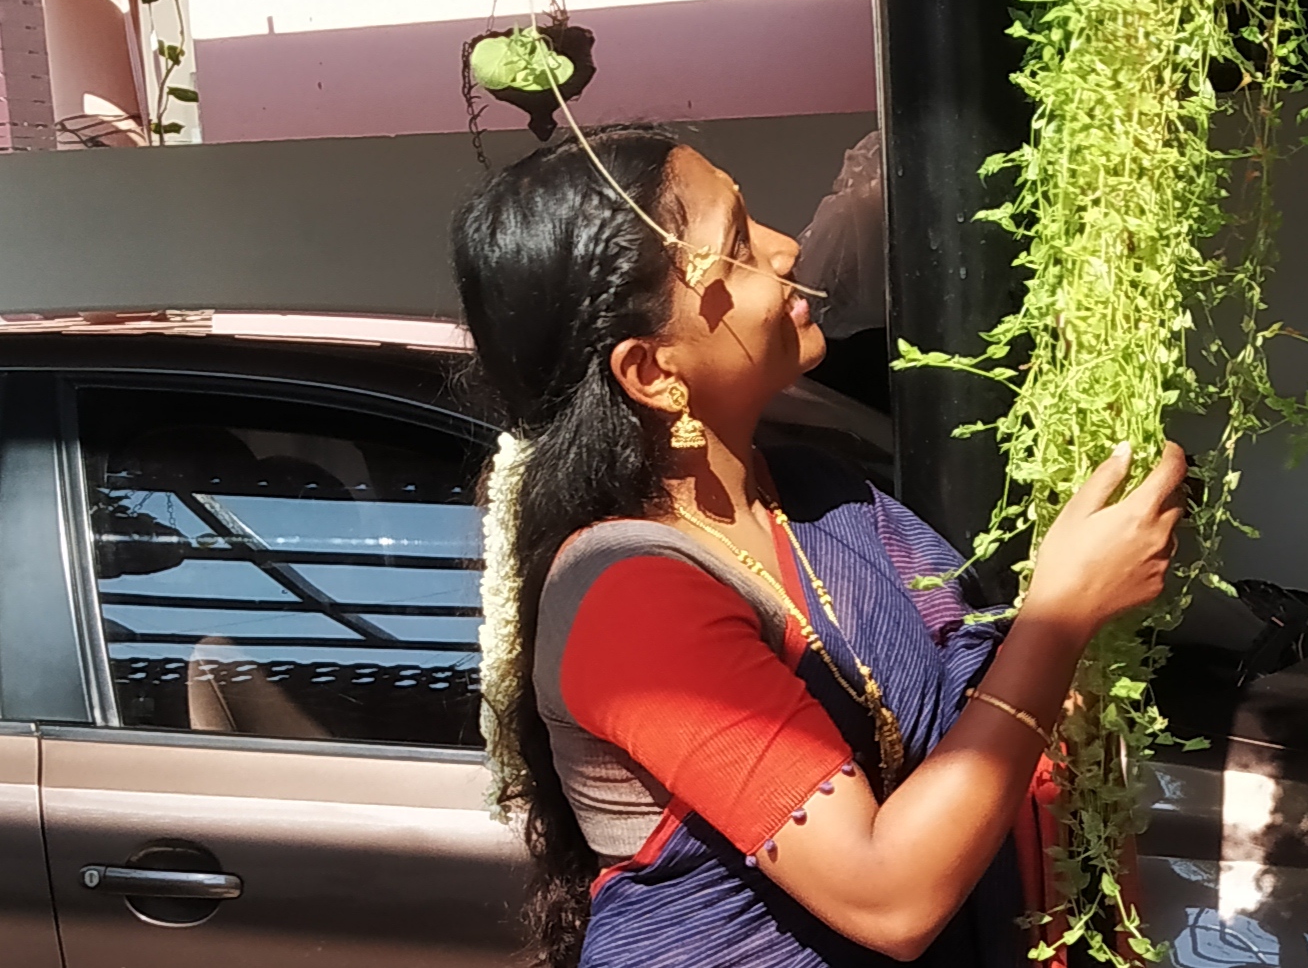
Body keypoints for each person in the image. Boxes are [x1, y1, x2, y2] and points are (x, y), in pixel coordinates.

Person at [455, 128, 1185, 968]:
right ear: (652, 372)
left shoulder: (817, 495)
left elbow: (974, 684)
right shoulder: (629, 599)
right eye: (737, 246)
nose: (787, 247)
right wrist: (1062, 615)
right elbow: (887, 894)